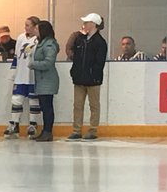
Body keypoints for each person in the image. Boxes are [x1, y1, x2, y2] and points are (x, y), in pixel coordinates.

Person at [68, 13, 108, 141]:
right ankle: (76, 130)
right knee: (77, 105)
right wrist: (74, 71)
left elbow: (99, 62)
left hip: (93, 80)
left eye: (87, 22)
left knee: (94, 105)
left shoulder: (100, 42)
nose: (84, 24)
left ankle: (93, 130)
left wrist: (93, 75)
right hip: (79, 78)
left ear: (93, 24)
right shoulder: (80, 39)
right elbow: (75, 57)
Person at [3, 16, 41, 139]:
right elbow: (16, 57)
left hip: (33, 75)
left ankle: (33, 125)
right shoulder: (20, 38)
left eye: (28, 25)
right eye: (25, 25)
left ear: (35, 26)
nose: (25, 27)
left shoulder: (39, 39)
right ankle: (14, 124)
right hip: (21, 74)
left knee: (33, 100)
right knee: (16, 99)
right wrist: (13, 72)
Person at [29, 19, 60, 143]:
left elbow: (48, 62)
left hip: (47, 80)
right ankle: (45, 131)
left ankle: (48, 132)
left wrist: (33, 64)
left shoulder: (49, 44)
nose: (35, 31)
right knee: (44, 106)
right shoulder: (42, 43)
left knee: (47, 107)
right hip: (42, 80)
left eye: (37, 29)